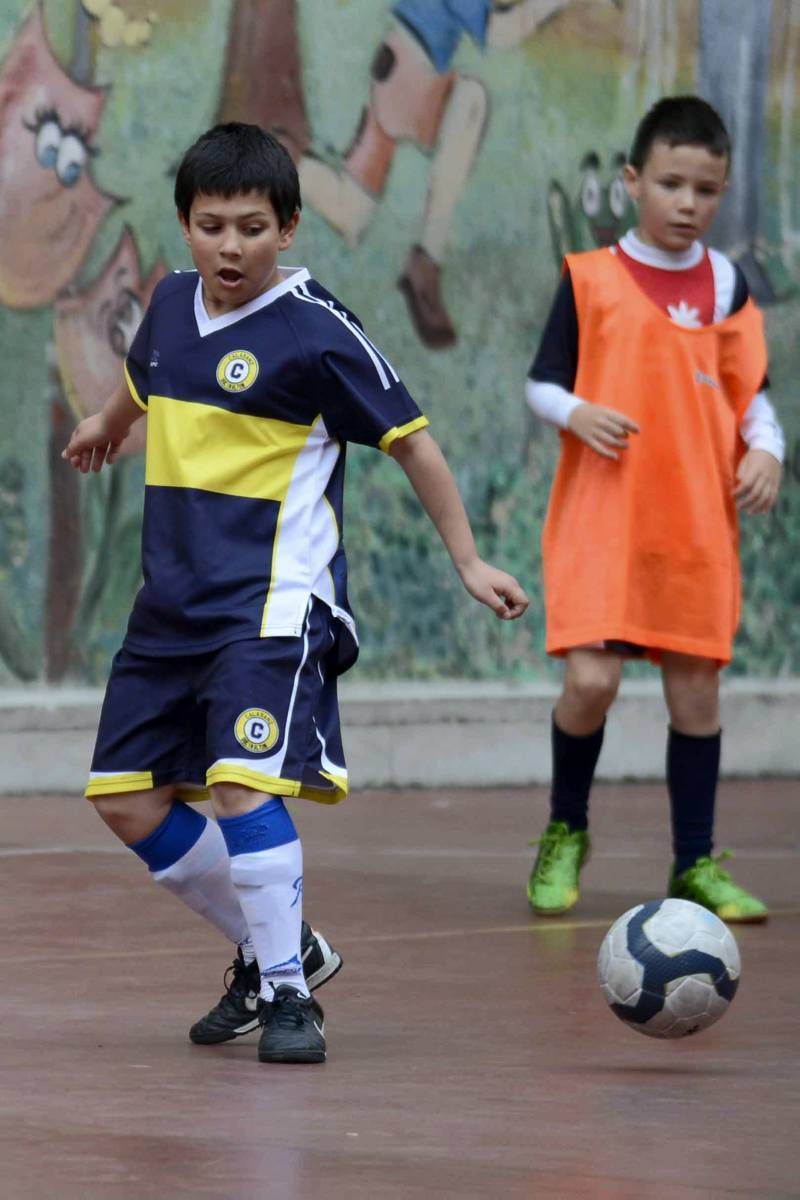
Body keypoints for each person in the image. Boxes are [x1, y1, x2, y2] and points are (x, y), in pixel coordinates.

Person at [62, 122, 528, 1065]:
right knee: (125, 800)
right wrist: (105, 426)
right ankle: (286, 948)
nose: (229, 247)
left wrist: (468, 559)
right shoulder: (168, 305)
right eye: (209, 225)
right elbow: (142, 382)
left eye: (250, 227)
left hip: (272, 603)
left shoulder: (319, 331)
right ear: (184, 226)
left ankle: (287, 998)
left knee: (240, 783)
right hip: (171, 606)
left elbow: (412, 440)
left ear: (289, 229)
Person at [524, 96, 784, 924]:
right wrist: (576, 413)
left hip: (696, 528)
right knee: (591, 682)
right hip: (603, 523)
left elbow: (756, 399)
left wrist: (769, 451)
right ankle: (566, 828)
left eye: (706, 190)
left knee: (695, 698)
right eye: (671, 183)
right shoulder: (588, 277)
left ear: (723, 193)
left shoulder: (728, 286)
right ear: (634, 181)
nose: (687, 203)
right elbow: (541, 383)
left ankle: (695, 863)